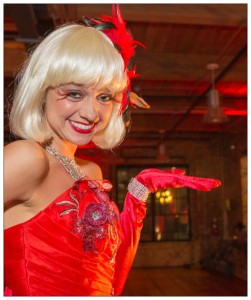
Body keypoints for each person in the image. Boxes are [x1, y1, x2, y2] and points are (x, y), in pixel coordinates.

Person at [4, 4, 221, 296]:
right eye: (74, 93)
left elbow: (106, 274)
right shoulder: (28, 157)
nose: (92, 112)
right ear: (42, 91)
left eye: (105, 96)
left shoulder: (90, 172)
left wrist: (138, 195)